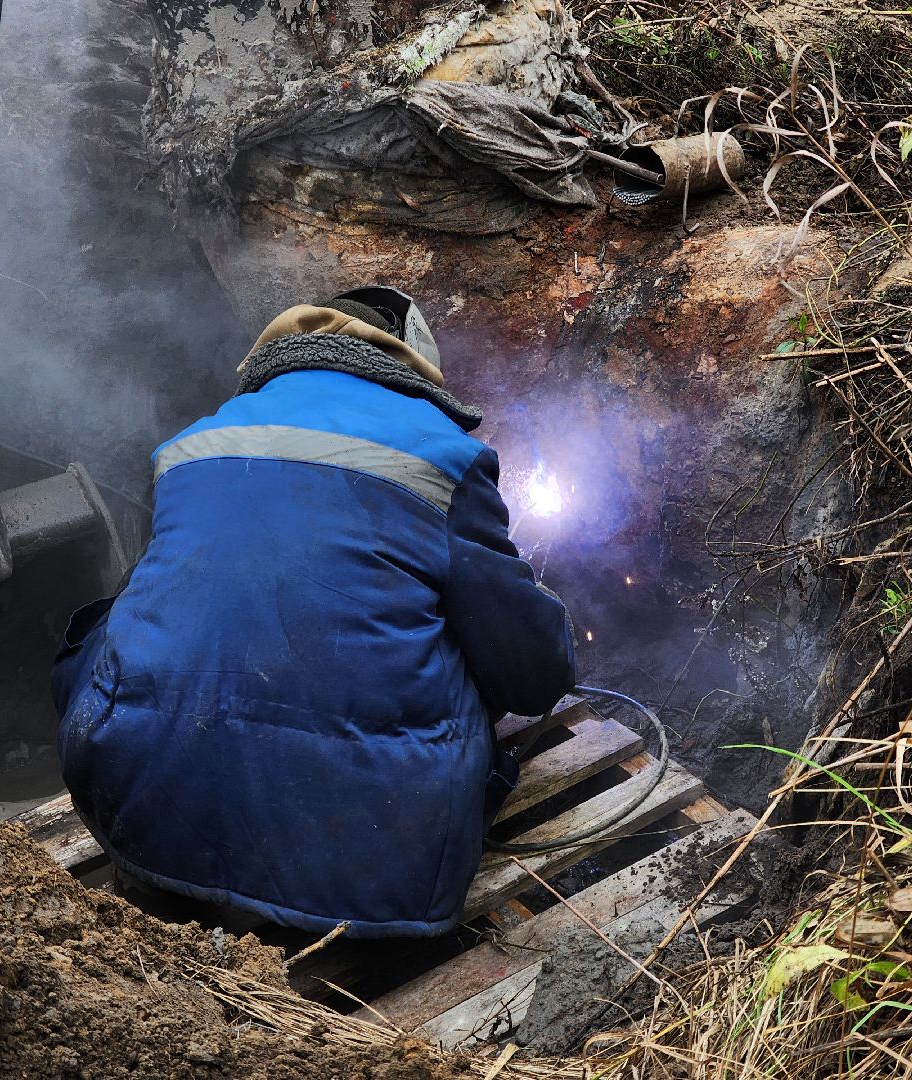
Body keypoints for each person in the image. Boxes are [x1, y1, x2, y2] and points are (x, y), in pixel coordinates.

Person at [50, 286, 577, 938]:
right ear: (412, 373)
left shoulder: (190, 446)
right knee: (468, 648)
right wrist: (546, 617)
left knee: (112, 624)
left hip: (146, 837)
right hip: (376, 881)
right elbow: (533, 675)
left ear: (283, 359)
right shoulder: (444, 458)